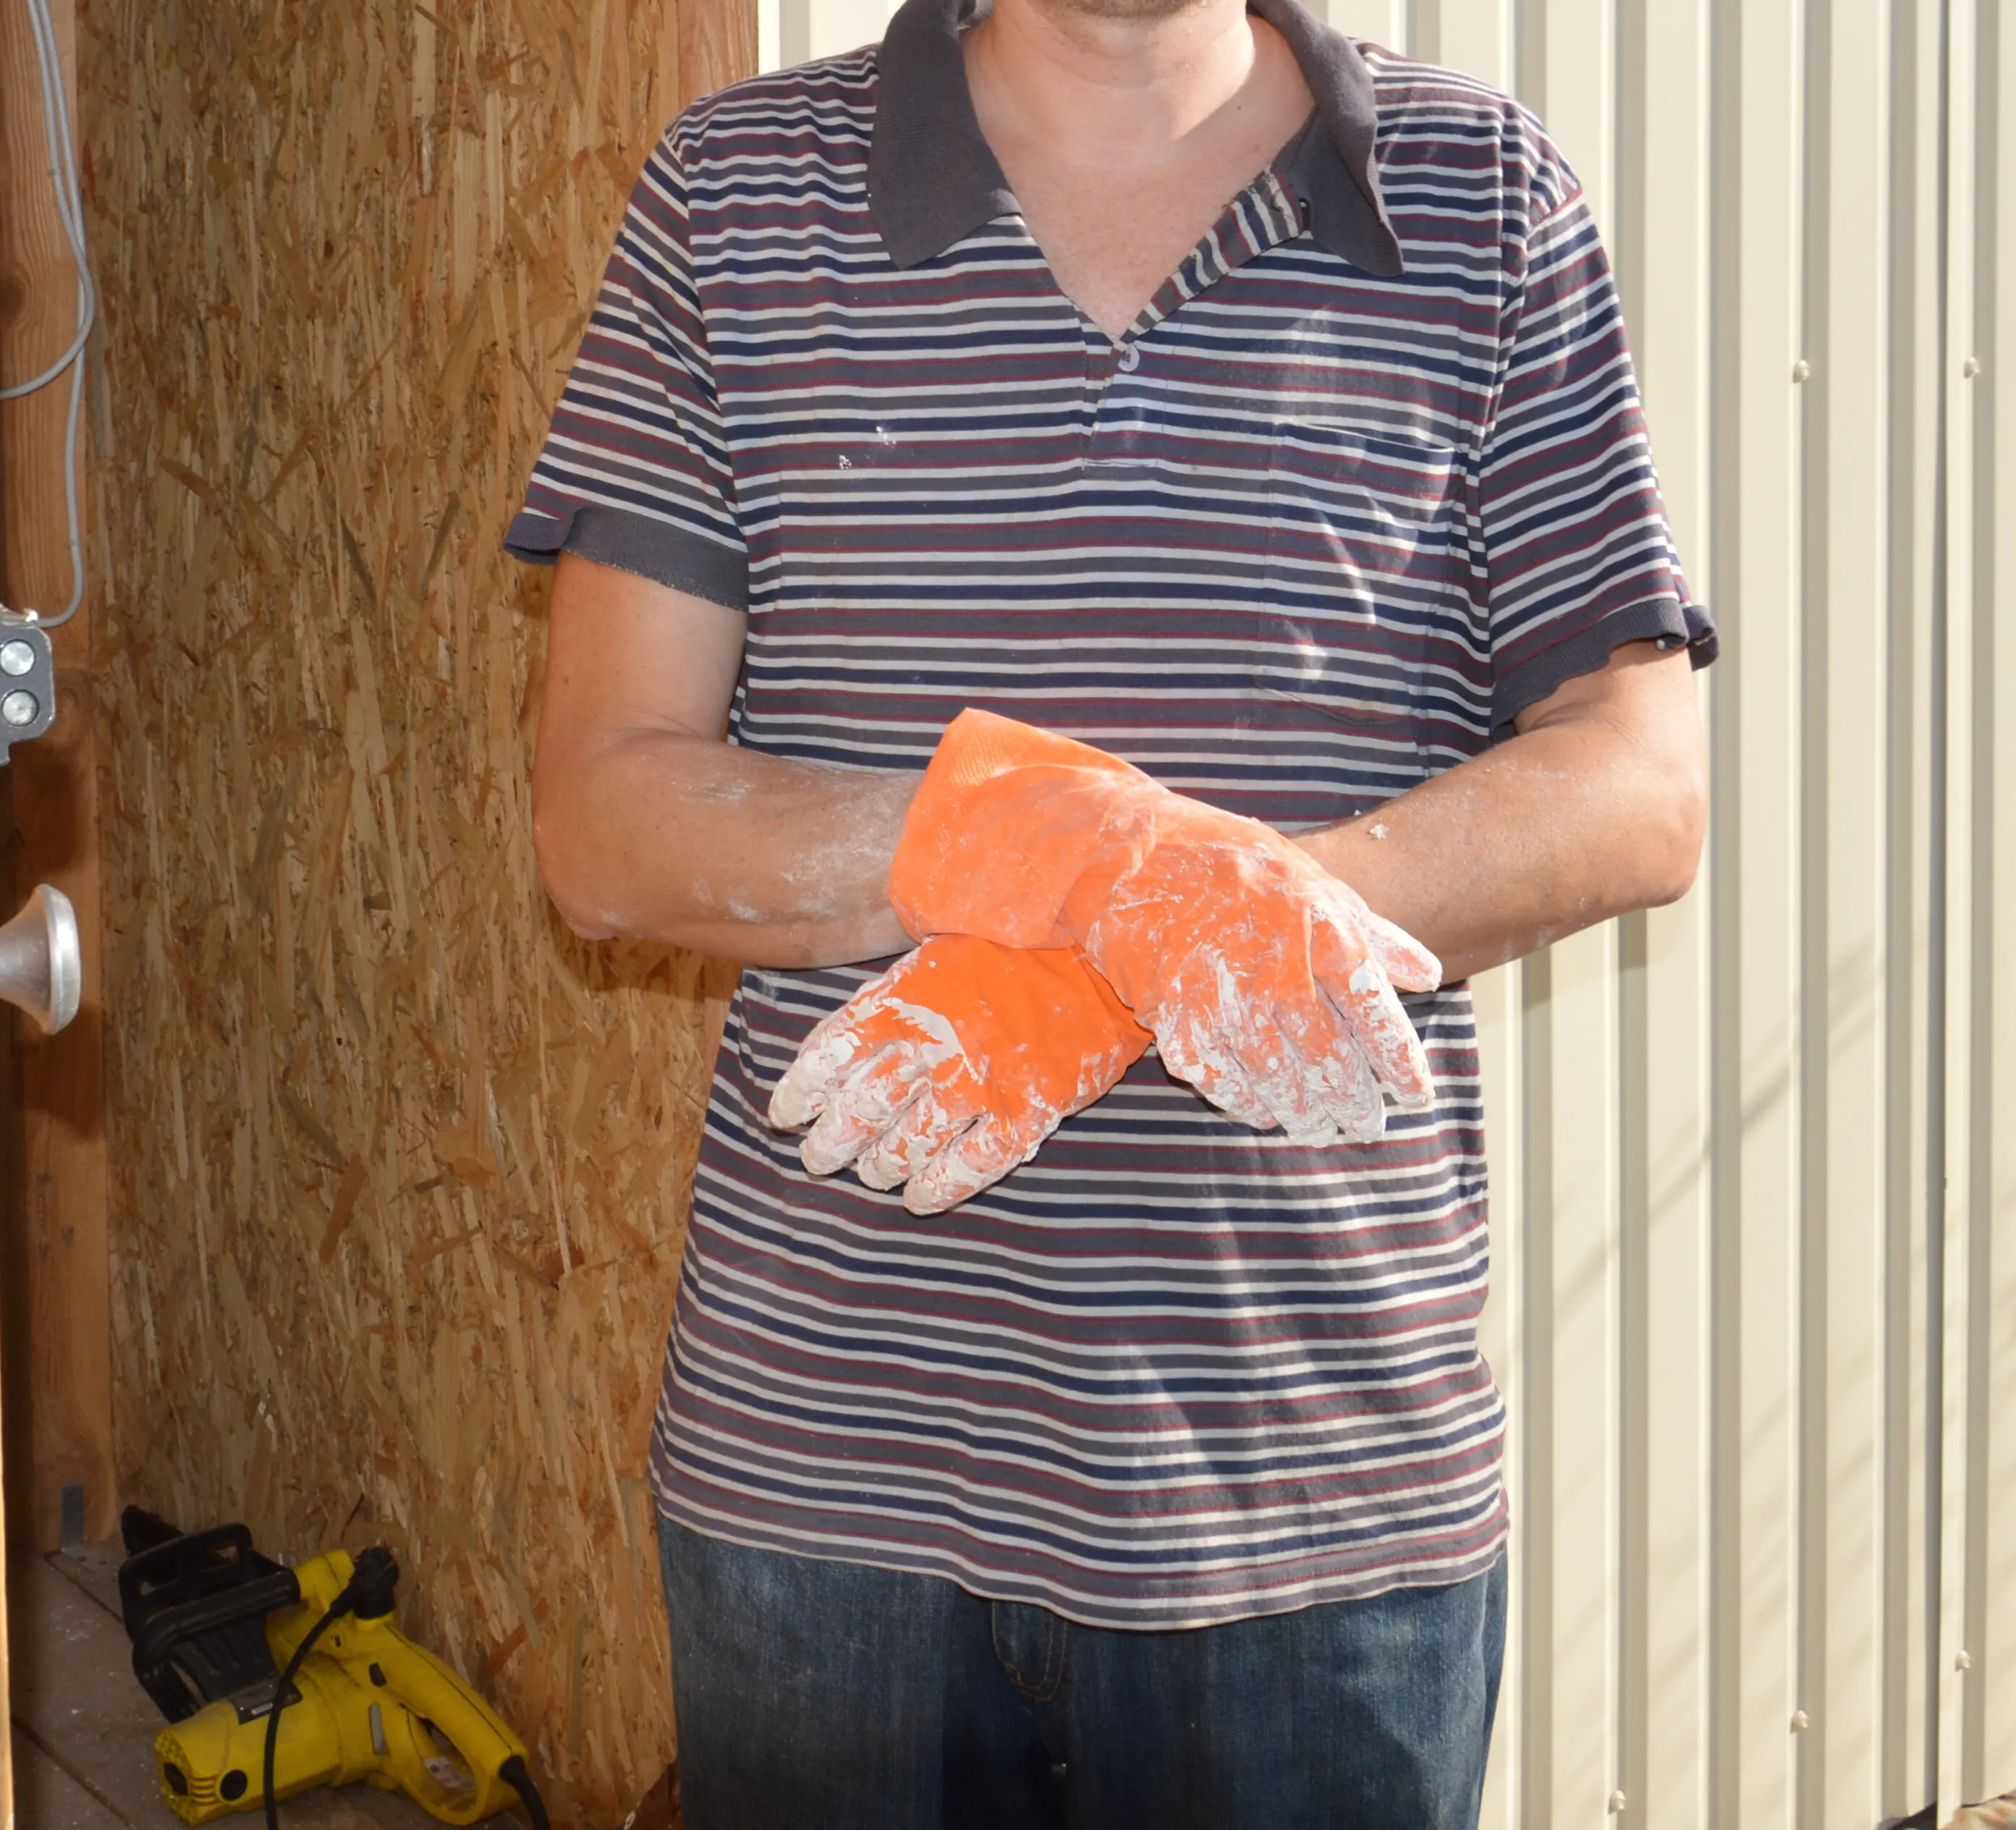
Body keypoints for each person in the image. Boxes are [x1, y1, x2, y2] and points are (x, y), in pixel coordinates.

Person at [512, 1, 1711, 1823]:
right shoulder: (740, 194)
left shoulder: (1479, 197)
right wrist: (1072, 856)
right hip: (832, 1468)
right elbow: (602, 816)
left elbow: (1638, 783)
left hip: (1314, 1492)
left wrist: (1205, 912)